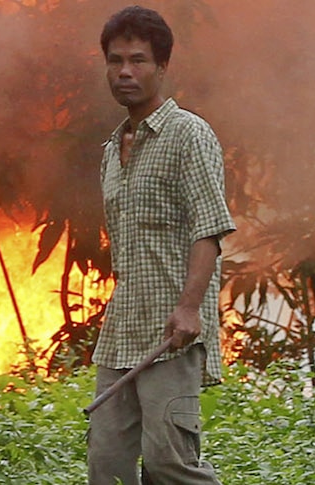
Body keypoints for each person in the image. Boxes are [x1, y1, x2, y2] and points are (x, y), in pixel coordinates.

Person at [88, 6, 236, 485]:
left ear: (162, 67)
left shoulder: (190, 134)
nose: (125, 72)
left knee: (170, 465)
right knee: (106, 465)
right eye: (115, 61)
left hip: (172, 335)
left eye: (138, 60)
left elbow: (209, 229)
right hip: (122, 331)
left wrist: (189, 309)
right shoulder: (113, 149)